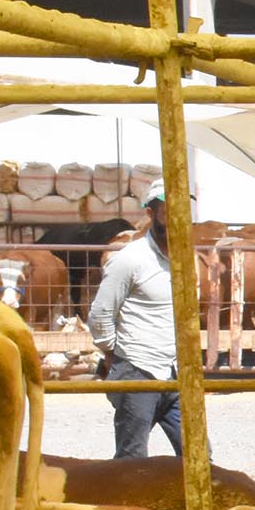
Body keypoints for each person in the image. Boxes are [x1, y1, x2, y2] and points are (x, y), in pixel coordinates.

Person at [87, 187, 189, 459]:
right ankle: (122, 502)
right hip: (138, 368)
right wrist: (113, 354)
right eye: (169, 213)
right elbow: (100, 313)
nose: (178, 220)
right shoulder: (131, 259)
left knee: (198, 456)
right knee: (132, 459)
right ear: (150, 214)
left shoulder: (185, 259)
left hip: (176, 370)